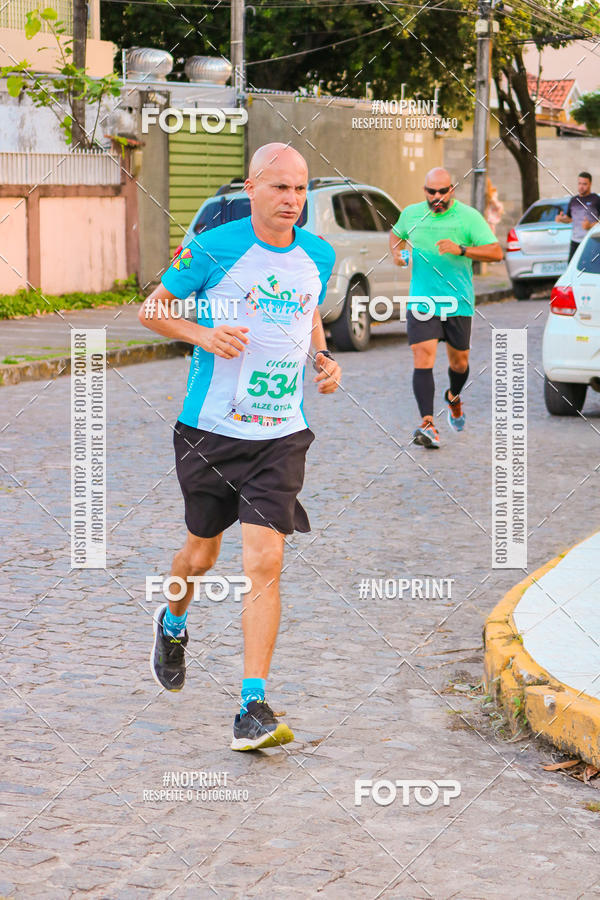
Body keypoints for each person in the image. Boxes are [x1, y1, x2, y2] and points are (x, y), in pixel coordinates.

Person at [139, 143, 340, 751]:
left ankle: (252, 706)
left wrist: (322, 358)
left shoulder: (319, 255)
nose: (292, 201)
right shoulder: (211, 247)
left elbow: (306, 316)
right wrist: (204, 333)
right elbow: (154, 310)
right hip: (210, 431)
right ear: (251, 188)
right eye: (280, 188)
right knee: (199, 556)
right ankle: (173, 623)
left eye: (301, 189)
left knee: (264, 562)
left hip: (279, 433)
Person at [389, 167, 503, 449]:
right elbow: (396, 234)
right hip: (423, 300)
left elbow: (496, 252)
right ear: (424, 191)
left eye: (442, 191)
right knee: (423, 356)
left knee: (459, 362)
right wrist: (399, 253)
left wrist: (461, 249)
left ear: (451, 190)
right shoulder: (412, 214)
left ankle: (453, 396)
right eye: (431, 192)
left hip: (458, 302)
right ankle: (428, 424)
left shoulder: (469, 217)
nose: (437, 197)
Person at [555, 171, 600, 261]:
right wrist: (561, 219)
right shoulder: (573, 200)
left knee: (589, 270)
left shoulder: (596, 199)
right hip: (575, 242)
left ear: (590, 184)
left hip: (591, 242)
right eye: (579, 183)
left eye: (584, 184)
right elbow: (570, 219)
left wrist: (590, 226)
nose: (581, 186)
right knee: (571, 269)